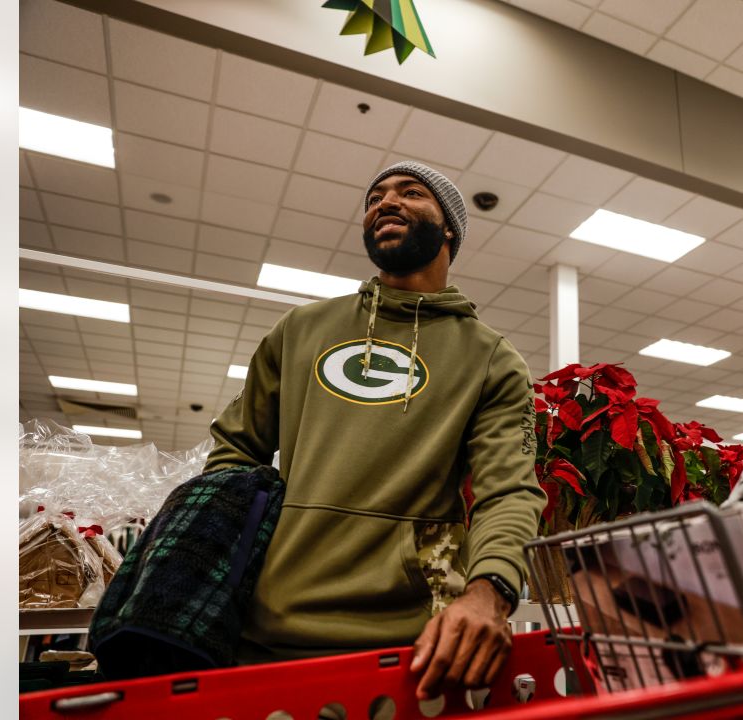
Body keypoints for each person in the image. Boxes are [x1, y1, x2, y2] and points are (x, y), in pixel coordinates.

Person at [204, 161, 546, 699]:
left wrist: (491, 591)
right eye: (374, 197)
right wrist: (223, 563)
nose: (385, 202)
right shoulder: (300, 330)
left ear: (450, 228)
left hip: (414, 650)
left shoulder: (492, 359)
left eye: (411, 193)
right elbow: (234, 452)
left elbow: (509, 491)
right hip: (265, 633)